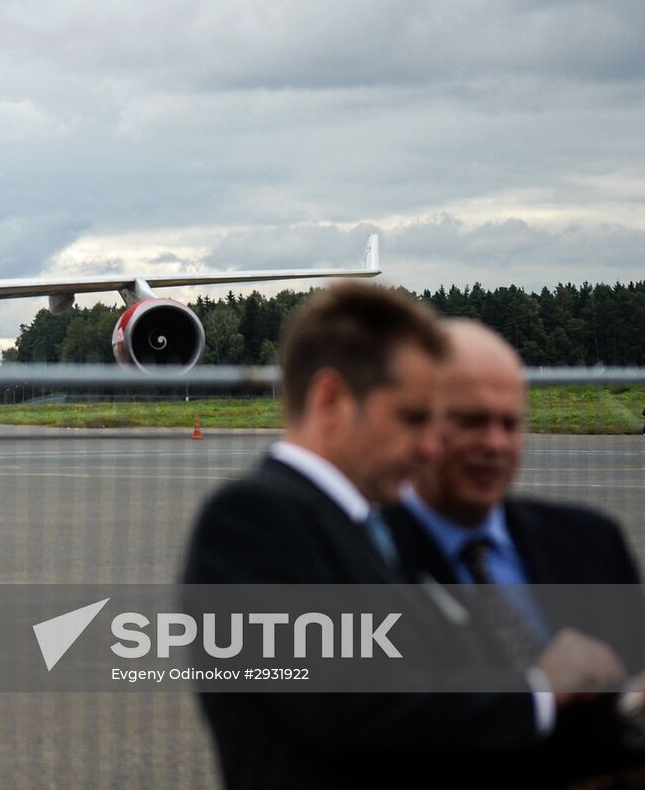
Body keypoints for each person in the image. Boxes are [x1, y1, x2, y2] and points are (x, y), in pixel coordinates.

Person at [180, 283, 627, 790]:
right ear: (332, 401)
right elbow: (351, 704)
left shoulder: (352, 525)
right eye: (413, 418)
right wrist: (539, 689)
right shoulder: (252, 520)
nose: (427, 446)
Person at [384, 319, 645, 786]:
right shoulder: (356, 559)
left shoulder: (592, 541)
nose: (495, 444)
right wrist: (539, 691)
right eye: (471, 421)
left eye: (510, 423)